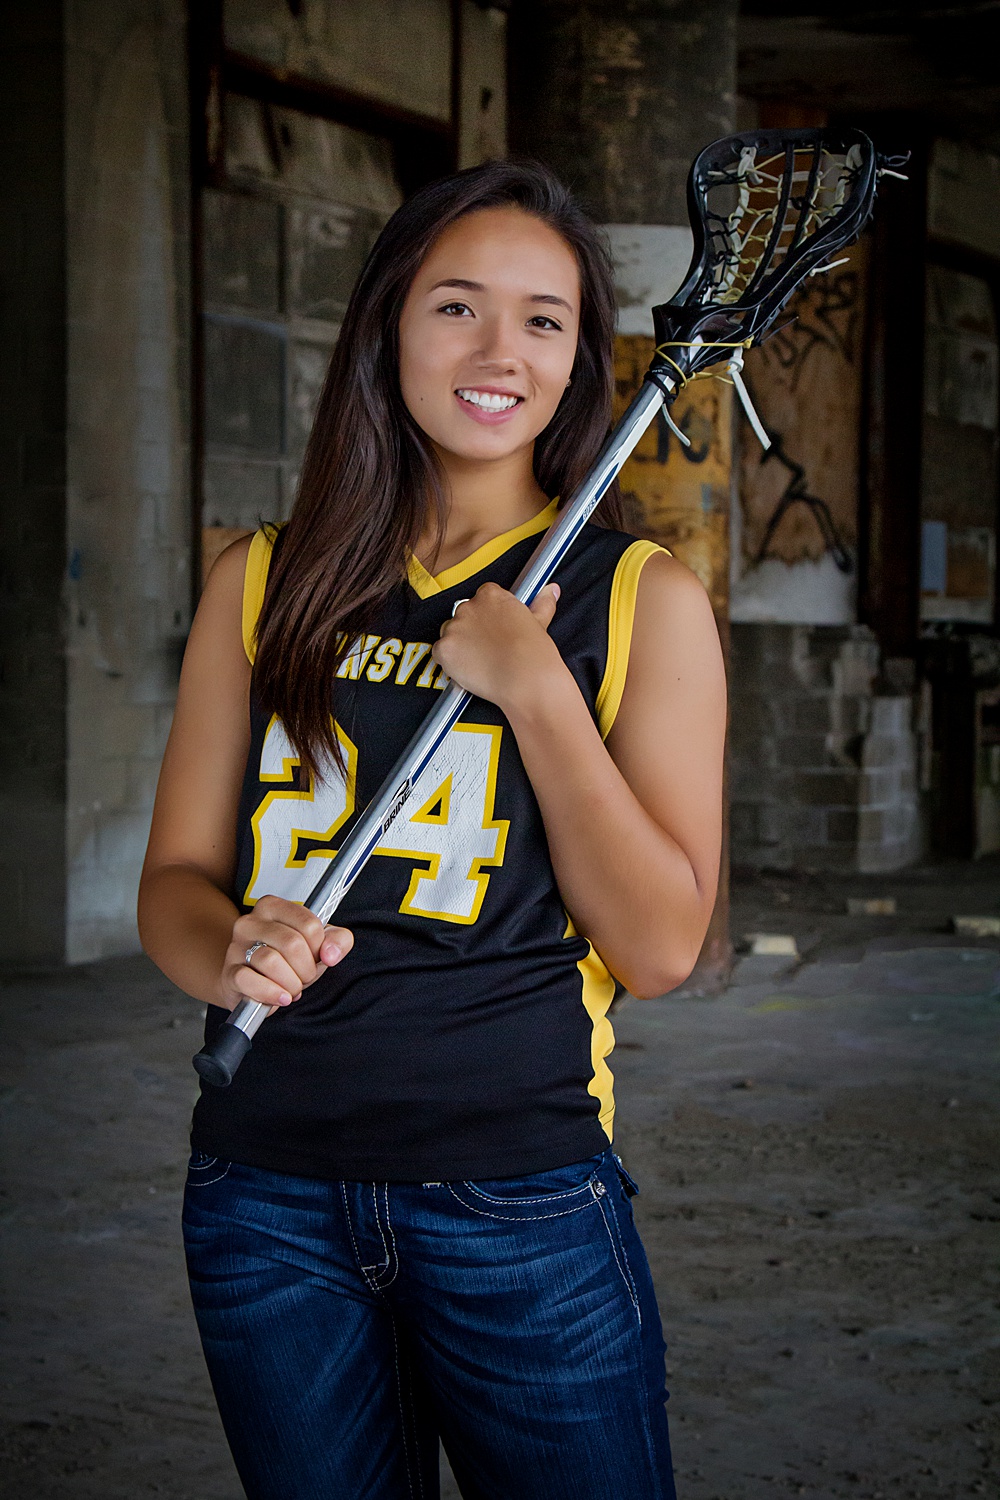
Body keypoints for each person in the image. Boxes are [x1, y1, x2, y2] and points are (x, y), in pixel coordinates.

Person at [138, 160, 726, 1500]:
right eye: (457, 305)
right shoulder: (261, 581)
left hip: (517, 1197)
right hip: (265, 1195)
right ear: (388, 324)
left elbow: (659, 949)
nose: (498, 351)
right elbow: (173, 880)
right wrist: (231, 945)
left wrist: (539, 693)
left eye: (543, 320)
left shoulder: (642, 599)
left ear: (579, 361)